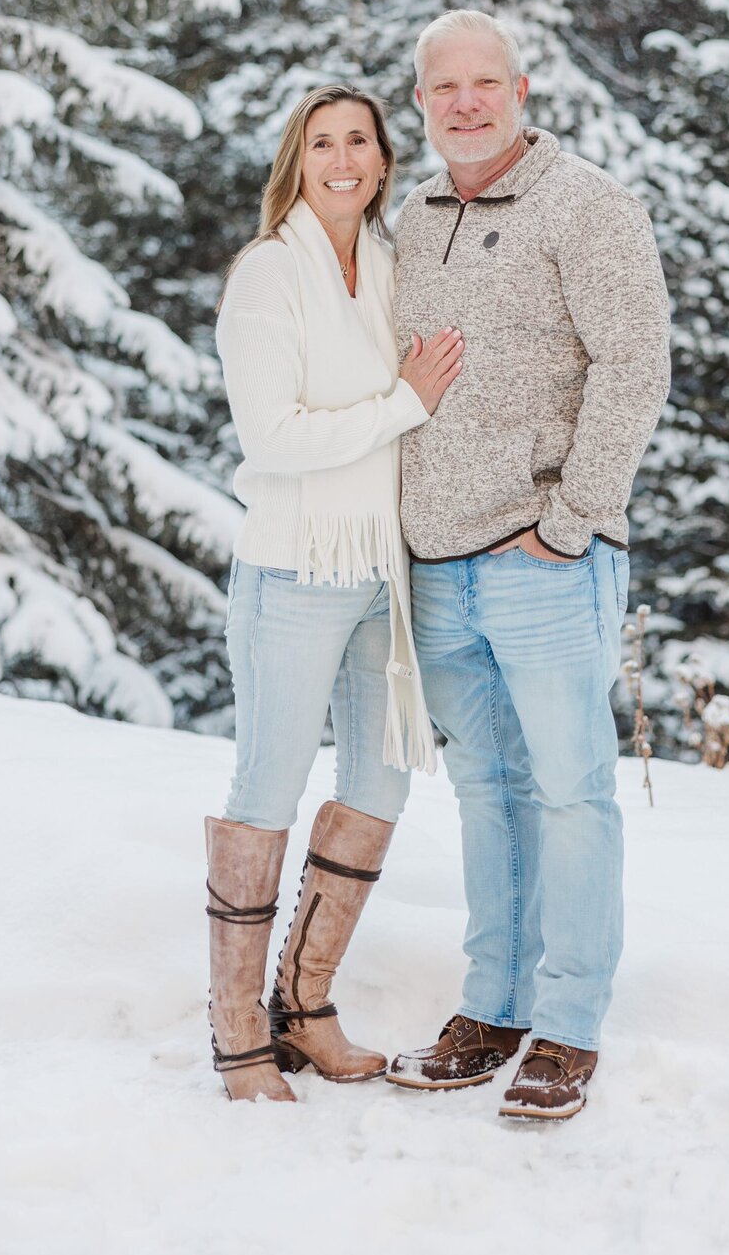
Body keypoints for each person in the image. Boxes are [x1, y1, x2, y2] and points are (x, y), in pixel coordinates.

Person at [386, 12, 671, 1120]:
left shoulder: (588, 205)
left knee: (570, 791)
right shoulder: (413, 217)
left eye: (484, 82)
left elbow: (635, 362)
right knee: (485, 791)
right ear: (419, 99)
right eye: (442, 86)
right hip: (438, 563)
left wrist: (573, 518)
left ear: (521, 86)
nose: (464, 103)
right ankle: (492, 1002)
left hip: (545, 559)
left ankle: (567, 1023)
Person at [206, 84, 463, 1103]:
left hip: (381, 572)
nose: (343, 157)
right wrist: (403, 401)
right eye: (323, 142)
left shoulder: (395, 269)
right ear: (297, 160)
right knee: (265, 790)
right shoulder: (269, 275)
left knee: (383, 781)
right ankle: (237, 1033)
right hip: (295, 567)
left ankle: (303, 1009)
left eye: (360, 140)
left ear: (386, 160)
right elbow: (272, 436)